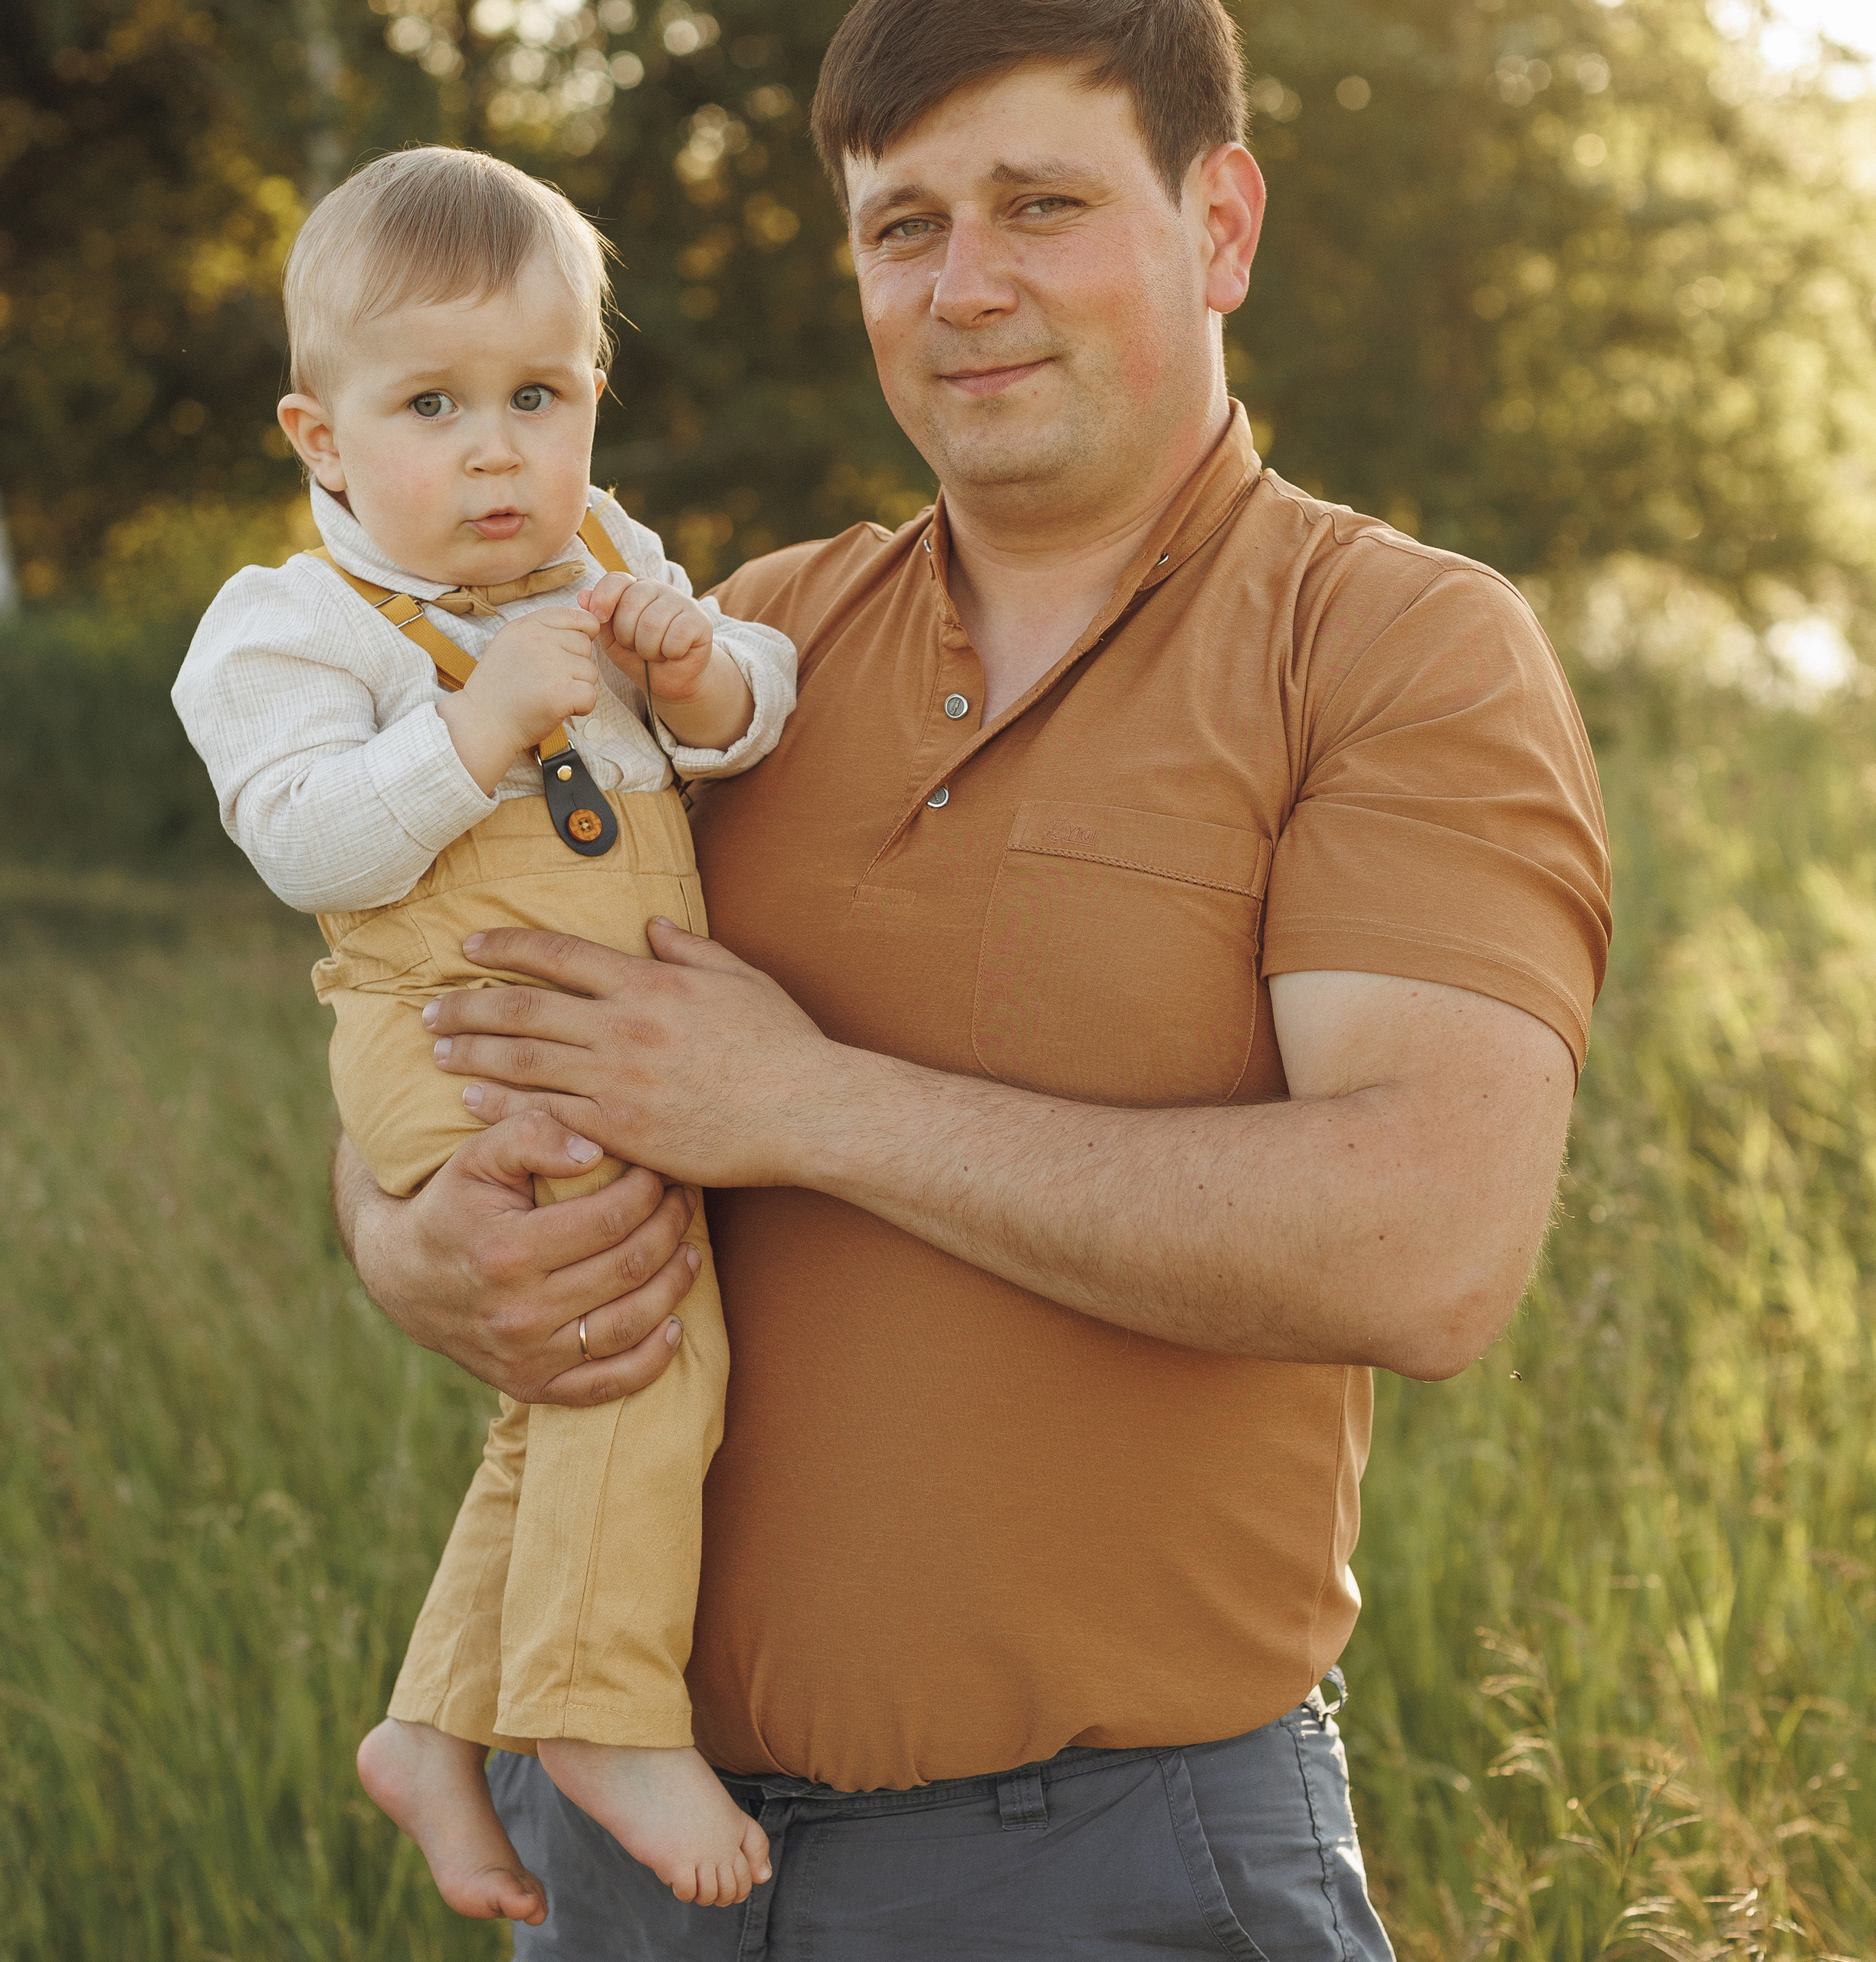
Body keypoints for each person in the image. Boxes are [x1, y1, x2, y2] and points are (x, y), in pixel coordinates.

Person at [333, 1, 1613, 1953]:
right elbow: (424, 993)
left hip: (1101, 1862)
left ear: (1220, 225)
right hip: (611, 1836)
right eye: (902, 224)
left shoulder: (1390, 645)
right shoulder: (727, 645)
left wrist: (802, 1105)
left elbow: (1429, 1239)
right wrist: (404, 1242)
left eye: (1040, 202)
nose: (967, 286)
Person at [173, 147, 793, 1923]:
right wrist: (471, 729)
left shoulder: (607, 560)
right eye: (433, 404)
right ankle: (596, 1710)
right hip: (459, 1037)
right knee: (640, 1332)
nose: (498, 448)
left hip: (576, 1031)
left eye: (538, 395)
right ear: (321, 439)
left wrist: (702, 674)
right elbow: (298, 837)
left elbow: (756, 717)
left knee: (562, 1387)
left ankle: (436, 1722)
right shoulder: (296, 623)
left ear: (594, 398)